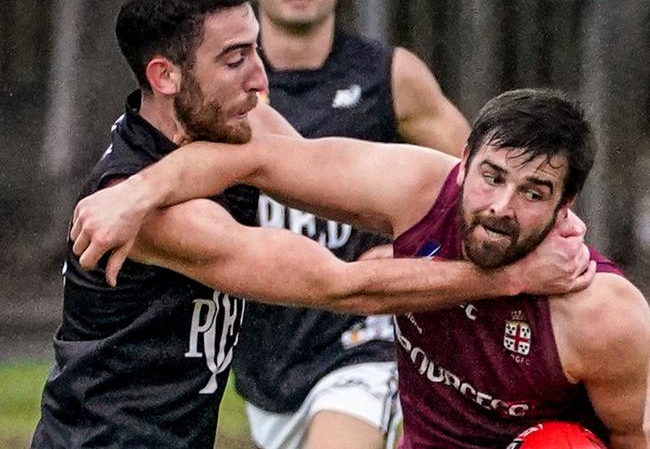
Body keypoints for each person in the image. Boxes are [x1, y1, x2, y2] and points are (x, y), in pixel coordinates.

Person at [30, 0, 591, 448]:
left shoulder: (235, 123)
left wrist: (522, 217)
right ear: (166, 75)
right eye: (234, 59)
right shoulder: (149, 217)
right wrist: (510, 276)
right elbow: (341, 287)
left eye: (256, 49)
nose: (260, 77)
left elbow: (331, 182)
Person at [71, 88, 650, 448]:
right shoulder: (418, 187)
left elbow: (632, 436)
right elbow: (263, 156)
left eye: (534, 192)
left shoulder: (603, 313)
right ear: (464, 164)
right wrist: (135, 192)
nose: (501, 207)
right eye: (493, 176)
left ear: (564, 207)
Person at [236, 0, 471, 447]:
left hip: (364, 339)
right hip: (266, 348)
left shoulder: (390, 75)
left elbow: (481, 192)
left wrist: (417, 253)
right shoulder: (224, 82)